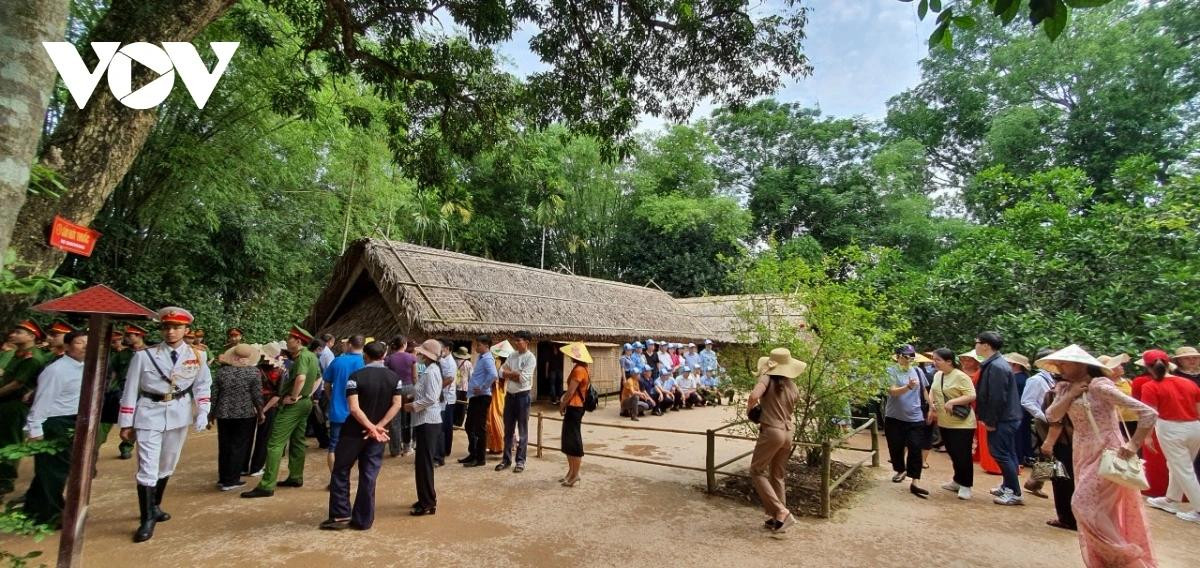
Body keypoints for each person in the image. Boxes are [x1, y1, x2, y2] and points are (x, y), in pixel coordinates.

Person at [1040, 345, 1157, 568]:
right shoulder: (1065, 387)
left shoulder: (1100, 386)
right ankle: (1108, 562)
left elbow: (1148, 413)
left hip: (1108, 451)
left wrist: (1133, 444)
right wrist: (1073, 393)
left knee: (1082, 505)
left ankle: (1125, 558)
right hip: (1082, 452)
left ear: (1081, 364)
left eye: (1064, 363)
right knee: (1102, 511)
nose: (1059, 367)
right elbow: (1052, 415)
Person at [118, 307, 212, 543]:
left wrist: (204, 410)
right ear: (161, 329)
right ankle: (146, 518)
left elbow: (202, 385)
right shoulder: (144, 356)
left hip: (179, 412)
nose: (171, 332)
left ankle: (156, 505)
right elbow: (130, 391)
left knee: (168, 463)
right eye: (167, 327)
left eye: (176, 327)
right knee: (147, 466)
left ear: (185, 330)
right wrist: (126, 422)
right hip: (149, 412)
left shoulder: (197, 356)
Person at [321, 341, 404, 531]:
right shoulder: (394, 378)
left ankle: (341, 514)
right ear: (384, 356)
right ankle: (363, 519)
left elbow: (354, 408)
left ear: (365, 355)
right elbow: (397, 404)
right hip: (377, 435)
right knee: (369, 475)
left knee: (341, 470)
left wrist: (370, 427)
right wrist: (378, 427)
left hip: (353, 432)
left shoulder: (356, 377)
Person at [242, 326, 320, 498]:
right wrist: (307, 394)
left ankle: (267, 485)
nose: (287, 341)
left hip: (293, 406)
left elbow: (301, 378)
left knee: (274, 444)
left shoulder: (301, 358)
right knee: (298, 441)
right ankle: (295, 476)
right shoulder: (312, 356)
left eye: (290, 338)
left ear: (298, 341)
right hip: (305, 403)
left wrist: (293, 397)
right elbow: (319, 377)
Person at [23, 330, 87, 526]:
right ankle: (52, 513)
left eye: (88, 343)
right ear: (67, 347)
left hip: (71, 420)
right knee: (55, 470)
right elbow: (43, 400)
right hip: (54, 422)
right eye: (79, 343)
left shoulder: (86, 367)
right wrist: (34, 428)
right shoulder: (57, 370)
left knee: (50, 468)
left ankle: (33, 508)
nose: (85, 346)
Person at [1138, 349, 1200, 524]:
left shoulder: (1150, 386)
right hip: (1195, 426)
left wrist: (1147, 436)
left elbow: (1148, 415)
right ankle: (1171, 500)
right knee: (1178, 466)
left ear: (1147, 367)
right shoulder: (1188, 383)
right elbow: (1198, 409)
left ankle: (1199, 509)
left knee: (1183, 468)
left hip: (1170, 428)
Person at [747, 347, 805, 533]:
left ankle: (781, 511)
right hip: (788, 432)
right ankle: (777, 519)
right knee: (777, 475)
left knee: (756, 470)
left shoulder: (766, 379)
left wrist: (751, 410)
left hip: (772, 431)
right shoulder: (792, 385)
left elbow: (754, 396)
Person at [0, 320, 49, 495]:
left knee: (10, 441)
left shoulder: (32, 358)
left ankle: (6, 480)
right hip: (6, 403)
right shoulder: (18, 354)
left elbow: (16, 384)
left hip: (16, 405)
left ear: (31, 336)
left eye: (19, 332)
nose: (13, 334)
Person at [974, 332, 1023, 505]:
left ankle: (1014, 492)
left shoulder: (996, 366)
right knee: (1006, 453)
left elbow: (997, 397)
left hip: (1003, 419)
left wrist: (991, 422)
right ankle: (1007, 485)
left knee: (1001, 454)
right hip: (1007, 417)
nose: (976, 345)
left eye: (978, 343)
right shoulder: (995, 364)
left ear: (986, 345)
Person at [212, 343, 264, 491]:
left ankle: (223, 478)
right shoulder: (253, 373)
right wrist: (260, 412)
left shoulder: (222, 372)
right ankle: (232, 480)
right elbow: (257, 396)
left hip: (224, 413)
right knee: (239, 446)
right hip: (245, 413)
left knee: (225, 445)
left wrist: (211, 413)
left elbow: (214, 394)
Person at [927, 348, 976, 500]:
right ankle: (957, 480)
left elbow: (971, 395)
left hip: (962, 423)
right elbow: (933, 391)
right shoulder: (938, 375)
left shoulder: (960, 376)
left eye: (938, 360)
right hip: (944, 421)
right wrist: (931, 405)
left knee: (963, 454)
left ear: (949, 361)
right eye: (934, 360)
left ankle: (966, 484)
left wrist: (953, 401)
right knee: (953, 453)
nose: (935, 362)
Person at [884, 345, 930, 498]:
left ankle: (915, 481)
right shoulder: (890, 371)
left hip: (915, 416)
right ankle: (900, 469)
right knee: (896, 447)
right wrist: (908, 387)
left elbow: (924, 390)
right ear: (898, 356)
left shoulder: (917, 371)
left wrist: (931, 407)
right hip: (894, 416)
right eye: (905, 356)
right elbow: (892, 392)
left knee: (915, 447)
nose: (908, 359)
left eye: (911, 356)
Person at [408, 339, 444, 515]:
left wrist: (412, 406)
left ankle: (427, 502)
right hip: (425, 421)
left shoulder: (431, 372)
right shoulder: (430, 370)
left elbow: (431, 398)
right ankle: (425, 497)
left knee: (424, 464)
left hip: (428, 421)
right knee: (422, 463)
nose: (420, 355)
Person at [322, 335, 365, 475]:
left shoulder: (338, 361)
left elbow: (327, 384)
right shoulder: (365, 362)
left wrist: (331, 397)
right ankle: (354, 477)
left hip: (338, 410)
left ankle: (336, 478)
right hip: (360, 412)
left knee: (334, 446)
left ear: (350, 345)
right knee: (359, 446)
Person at [1021, 348, 1058, 499]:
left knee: (1047, 453)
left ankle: (1035, 482)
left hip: (1054, 419)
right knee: (1051, 451)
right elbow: (1027, 401)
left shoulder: (1055, 378)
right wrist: (1043, 416)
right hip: (1044, 420)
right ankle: (1036, 482)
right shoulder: (1036, 380)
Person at [497, 331, 535, 473]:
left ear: (526, 342)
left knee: (522, 430)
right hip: (510, 395)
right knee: (508, 430)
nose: (516, 343)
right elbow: (500, 372)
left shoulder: (530, 358)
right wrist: (514, 373)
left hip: (522, 396)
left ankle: (520, 461)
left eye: (519, 340)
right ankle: (506, 459)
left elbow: (523, 378)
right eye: (515, 340)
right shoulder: (512, 355)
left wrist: (510, 374)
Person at [247, 342, 286, 477]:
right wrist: (263, 410)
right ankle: (256, 467)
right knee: (264, 438)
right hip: (269, 407)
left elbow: (248, 390)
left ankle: (243, 466)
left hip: (251, 405)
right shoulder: (280, 372)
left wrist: (256, 408)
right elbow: (278, 394)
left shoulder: (254, 369)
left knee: (247, 437)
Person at [558, 342, 591, 487]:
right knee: (569, 440)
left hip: (575, 407)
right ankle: (571, 472)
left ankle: (575, 473)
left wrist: (562, 404)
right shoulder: (582, 368)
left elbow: (570, 392)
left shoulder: (579, 370)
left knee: (574, 440)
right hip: (575, 407)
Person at [462, 336, 495, 467]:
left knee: (478, 428)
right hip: (476, 397)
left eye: (479, 345)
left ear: (486, 345)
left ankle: (480, 458)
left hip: (482, 396)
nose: (476, 347)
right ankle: (473, 453)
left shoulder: (487, 359)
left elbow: (493, 375)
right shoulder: (482, 358)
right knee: (469, 426)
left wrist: (482, 388)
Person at [384, 336, 417, 457]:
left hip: (394, 389)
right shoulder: (412, 358)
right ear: (404, 344)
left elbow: (386, 376)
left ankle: (395, 450)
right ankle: (408, 448)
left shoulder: (388, 359)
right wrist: (415, 390)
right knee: (408, 419)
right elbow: (414, 377)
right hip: (409, 388)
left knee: (394, 420)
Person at [1005, 352, 1034, 465]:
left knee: (1017, 435)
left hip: (1016, 411)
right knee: (1024, 434)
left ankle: (1018, 458)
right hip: (1023, 411)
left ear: (1015, 365)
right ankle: (1026, 456)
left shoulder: (1017, 379)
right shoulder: (1025, 377)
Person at [486, 340, 513, 454]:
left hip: (498, 394)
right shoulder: (506, 365)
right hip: (500, 394)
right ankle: (495, 445)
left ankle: (499, 445)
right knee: (495, 419)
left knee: (494, 418)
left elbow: (498, 380)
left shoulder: (502, 366)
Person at [436, 340, 457, 467]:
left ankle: (443, 452)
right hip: (445, 397)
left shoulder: (449, 362)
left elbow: (450, 378)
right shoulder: (444, 360)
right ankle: (444, 450)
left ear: (447, 348)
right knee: (445, 426)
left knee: (444, 427)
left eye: (441, 348)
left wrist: (436, 388)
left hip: (447, 398)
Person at [453, 346, 471, 428]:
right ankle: (459, 422)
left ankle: (453, 420)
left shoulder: (454, 362)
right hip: (464, 387)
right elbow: (471, 376)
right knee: (463, 406)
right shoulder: (468, 364)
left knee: (454, 404)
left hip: (454, 386)